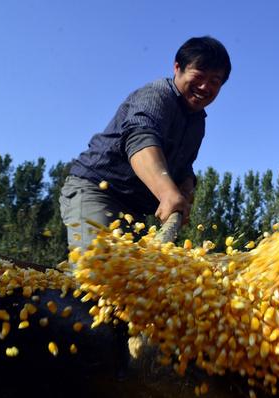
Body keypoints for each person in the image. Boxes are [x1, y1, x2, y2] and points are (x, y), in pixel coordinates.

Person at [60, 36, 231, 249]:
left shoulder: (197, 123)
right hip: (98, 191)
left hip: (135, 211)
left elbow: (184, 166)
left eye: (215, 81)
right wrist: (168, 193)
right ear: (177, 67)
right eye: (199, 75)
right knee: (99, 273)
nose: (205, 86)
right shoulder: (157, 95)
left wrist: (185, 188)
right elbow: (140, 138)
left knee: (136, 278)